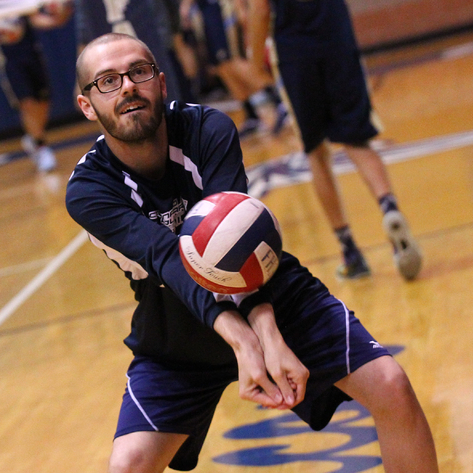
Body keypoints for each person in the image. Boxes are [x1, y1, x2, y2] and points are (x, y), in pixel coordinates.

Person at [66, 33, 439, 472]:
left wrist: (268, 331)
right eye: (107, 80)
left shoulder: (208, 129)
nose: (127, 86)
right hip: (176, 327)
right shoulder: (89, 190)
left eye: (138, 72)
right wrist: (247, 342)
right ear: (87, 105)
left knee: (391, 387)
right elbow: (170, 258)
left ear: (161, 83)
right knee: (127, 466)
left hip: (268, 289)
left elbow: (238, 247)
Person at [246, 0, 422, 281]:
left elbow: (260, 8)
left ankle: (350, 251)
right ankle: (388, 207)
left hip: (295, 50)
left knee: (316, 152)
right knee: (357, 141)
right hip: (336, 36)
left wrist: (255, 63)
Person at [0, 3, 73, 172]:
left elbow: (35, 20)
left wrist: (58, 19)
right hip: (9, 60)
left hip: (32, 53)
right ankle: (41, 146)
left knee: (43, 102)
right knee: (27, 103)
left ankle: (33, 138)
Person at [179, 0, 288, 137]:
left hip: (223, 10)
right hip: (205, 12)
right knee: (221, 66)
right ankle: (251, 114)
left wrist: (240, 8)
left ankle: (279, 101)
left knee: (234, 61)